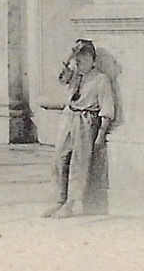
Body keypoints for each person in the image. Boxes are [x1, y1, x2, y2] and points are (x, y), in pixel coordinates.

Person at [44, 39, 115, 219]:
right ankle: (59, 200)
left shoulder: (100, 79)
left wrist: (100, 134)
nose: (79, 64)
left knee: (78, 162)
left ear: (93, 59)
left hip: (86, 120)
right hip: (69, 117)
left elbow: (107, 109)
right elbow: (60, 77)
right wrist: (69, 56)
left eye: (83, 60)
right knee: (60, 157)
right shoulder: (74, 75)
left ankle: (71, 203)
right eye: (78, 60)